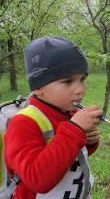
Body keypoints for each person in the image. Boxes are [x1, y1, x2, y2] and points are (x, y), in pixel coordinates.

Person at [4, 36, 103, 199]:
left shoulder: (68, 113)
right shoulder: (23, 123)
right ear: (38, 87)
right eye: (68, 81)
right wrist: (74, 130)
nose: (80, 89)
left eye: (82, 79)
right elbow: (38, 180)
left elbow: (69, 158)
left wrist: (89, 142)